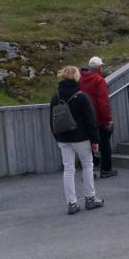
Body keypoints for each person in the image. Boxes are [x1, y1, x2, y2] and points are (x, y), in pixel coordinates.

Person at [49, 66, 104, 214]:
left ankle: (71, 203)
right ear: (75, 77)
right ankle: (90, 198)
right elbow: (90, 121)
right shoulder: (81, 96)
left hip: (63, 138)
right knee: (87, 166)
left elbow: (51, 120)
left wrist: (58, 137)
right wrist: (95, 140)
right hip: (81, 138)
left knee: (68, 170)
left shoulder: (56, 97)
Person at [78, 56, 117, 178]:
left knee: (87, 145)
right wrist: (108, 119)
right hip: (98, 119)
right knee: (104, 144)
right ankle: (105, 169)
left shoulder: (79, 79)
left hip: (84, 118)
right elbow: (103, 102)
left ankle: (90, 171)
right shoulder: (99, 80)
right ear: (99, 67)